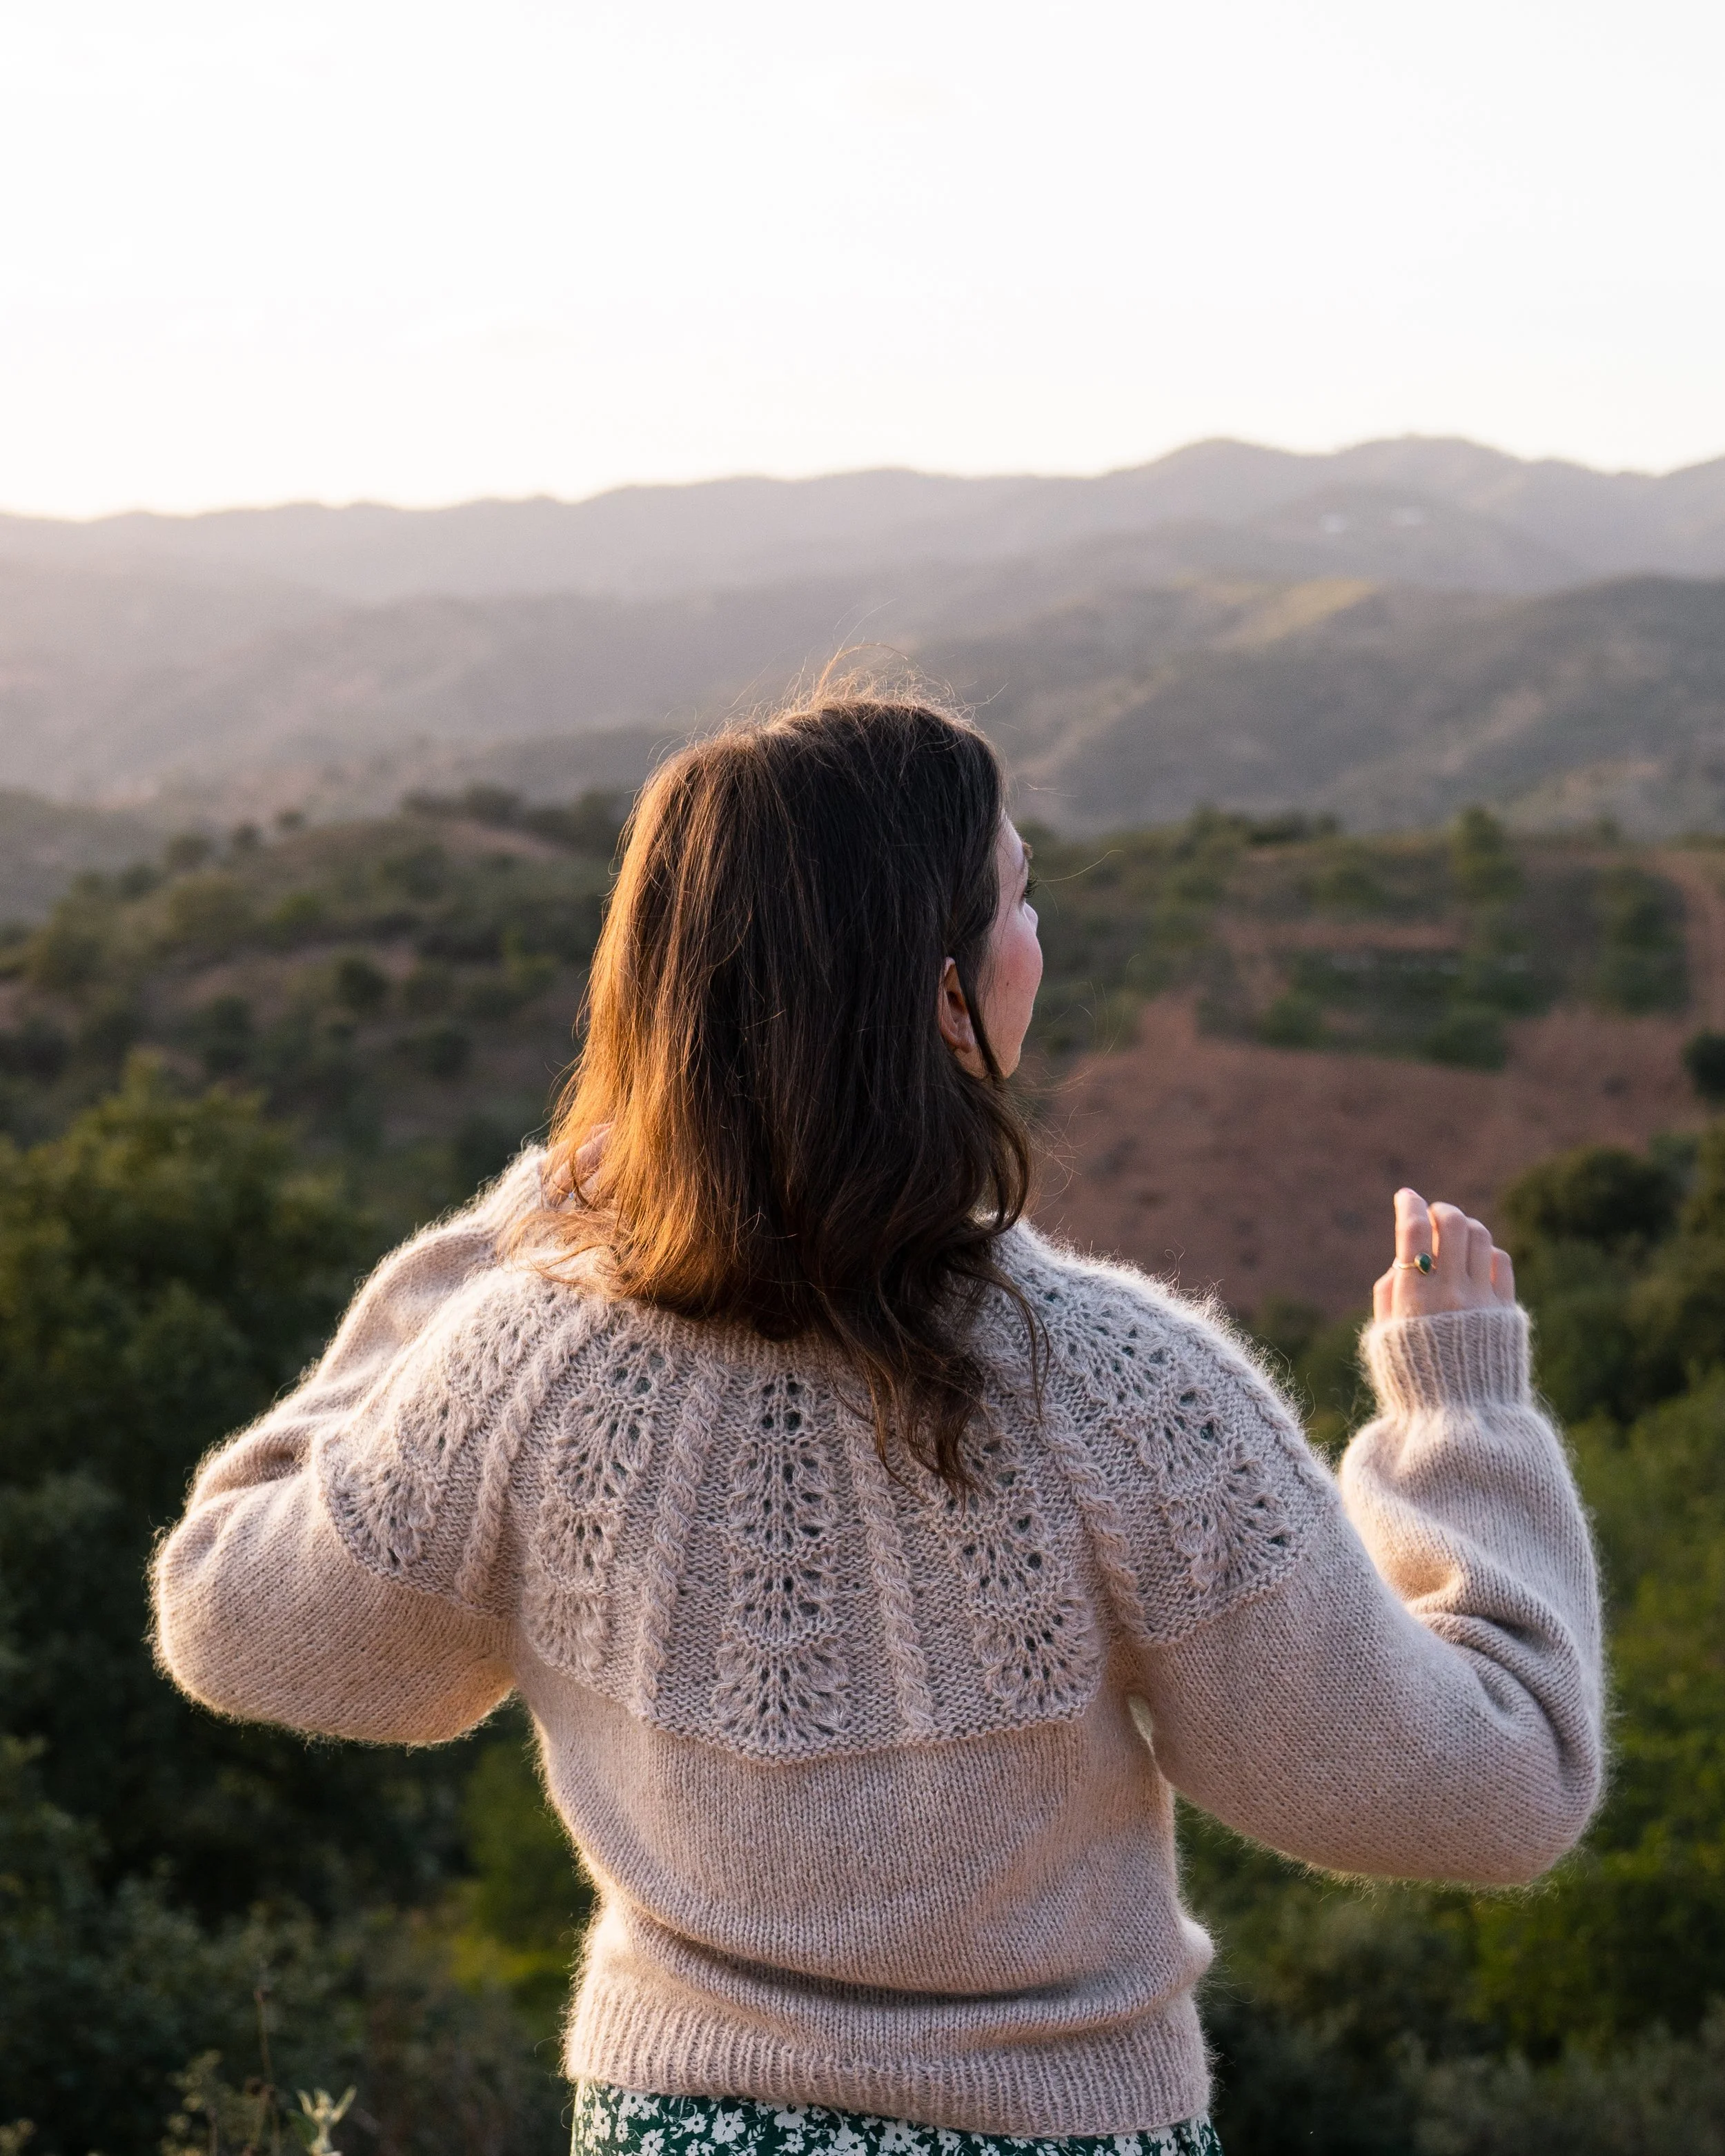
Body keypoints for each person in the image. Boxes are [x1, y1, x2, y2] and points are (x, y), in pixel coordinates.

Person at [154, 691, 1603, 2156]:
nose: (1038, 934)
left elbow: (234, 1613)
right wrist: (1459, 1418)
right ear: (941, 998)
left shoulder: (525, 1363)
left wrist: (500, 1239)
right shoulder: (1129, 1392)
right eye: (1018, 897)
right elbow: (1493, 1789)